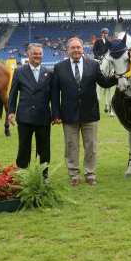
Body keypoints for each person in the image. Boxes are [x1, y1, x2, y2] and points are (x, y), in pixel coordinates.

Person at [51, 37, 116, 186]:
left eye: (78, 47)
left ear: (83, 49)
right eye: (73, 48)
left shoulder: (93, 65)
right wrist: (55, 114)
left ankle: (90, 173)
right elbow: (55, 93)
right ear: (68, 50)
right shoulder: (59, 67)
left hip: (90, 113)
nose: (76, 50)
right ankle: (74, 174)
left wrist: (118, 76)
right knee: (71, 146)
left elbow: (104, 82)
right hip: (68, 114)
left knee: (91, 146)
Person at [7, 43, 52, 178]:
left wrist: (56, 113)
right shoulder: (19, 71)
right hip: (25, 117)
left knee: (44, 149)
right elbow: (13, 93)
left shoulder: (49, 73)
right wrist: (11, 111)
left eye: (40, 54)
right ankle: (22, 175)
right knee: (24, 147)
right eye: (35, 53)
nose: (37, 56)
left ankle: (44, 176)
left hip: (43, 117)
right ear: (28, 54)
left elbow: (54, 96)